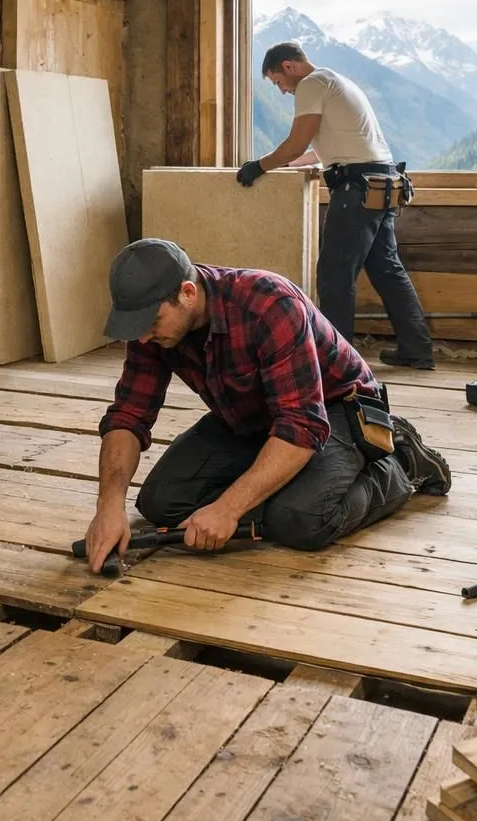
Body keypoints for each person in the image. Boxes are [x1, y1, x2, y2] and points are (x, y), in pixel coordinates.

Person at [80, 238, 451, 574]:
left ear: (188, 293)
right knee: (160, 502)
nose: (144, 336)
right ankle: (283, 486)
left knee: (301, 520)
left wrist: (227, 510)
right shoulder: (155, 330)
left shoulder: (270, 304)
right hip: (251, 415)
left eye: (151, 322)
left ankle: (401, 460)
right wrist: (108, 505)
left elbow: (302, 425)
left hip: (335, 408)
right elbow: (129, 414)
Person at [237, 41, 436, 370]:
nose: (283, 91)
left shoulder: (311, 84)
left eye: (277, 82)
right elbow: (322, 148)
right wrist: (288, 165)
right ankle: (417, 350)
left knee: (334, 275)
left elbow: (297, 140)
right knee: (387, 270)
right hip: (382, 183)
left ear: (289, 66)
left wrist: (260, 165)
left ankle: (335, 362)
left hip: (356, 189)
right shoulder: (336, 80)